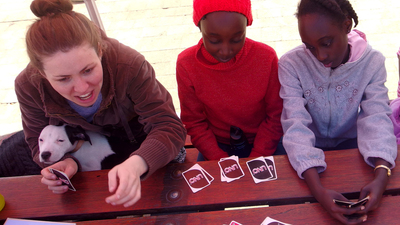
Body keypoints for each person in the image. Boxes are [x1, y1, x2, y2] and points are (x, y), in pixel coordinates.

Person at [15, 0, 186, 208]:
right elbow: (35, 139)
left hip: (142, 145)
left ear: (100, 51)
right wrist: (65, 162)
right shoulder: (28, 85)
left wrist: (138, 162)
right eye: (63, 79)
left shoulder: (128, 64)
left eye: (88, 70)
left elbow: (168, 125)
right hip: (85, 160)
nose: (81, 88)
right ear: (41, 73)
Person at [278, 0, 397, 224]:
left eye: (327, 43)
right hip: (306, 152)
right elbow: (295, 126)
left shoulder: (373, 62)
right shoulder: (290, 64)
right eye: (310, 46)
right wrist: (318, 190)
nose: (320, 56)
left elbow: (377, 118)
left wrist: (382, 174)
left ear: (347, 24)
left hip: (352, 146)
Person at [176, 0, 283, 161]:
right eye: (214, 41)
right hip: (216, 146)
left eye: (236, 39)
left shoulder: (266, 58)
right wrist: (221, 160)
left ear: (246, 27)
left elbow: (275, 115)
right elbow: (194, 122)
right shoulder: (186, 64)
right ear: (200, 28)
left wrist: (256, 157)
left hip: (265, 141)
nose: (225, 51)